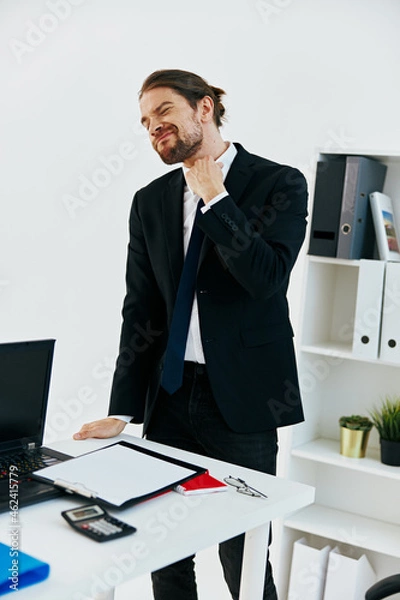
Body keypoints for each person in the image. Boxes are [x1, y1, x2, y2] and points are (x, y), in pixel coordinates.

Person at [74, 69, 308, 600]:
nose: (153, 127)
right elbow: (142, 309)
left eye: (163, 113)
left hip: (243, 403)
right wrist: (125, 407)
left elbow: (266, 280)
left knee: (242, 552)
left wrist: (217, 201)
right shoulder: (150, 201)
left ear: (204, 108)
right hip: (171, 397)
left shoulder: (281, 182)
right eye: (144, 122)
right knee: (165, 548)